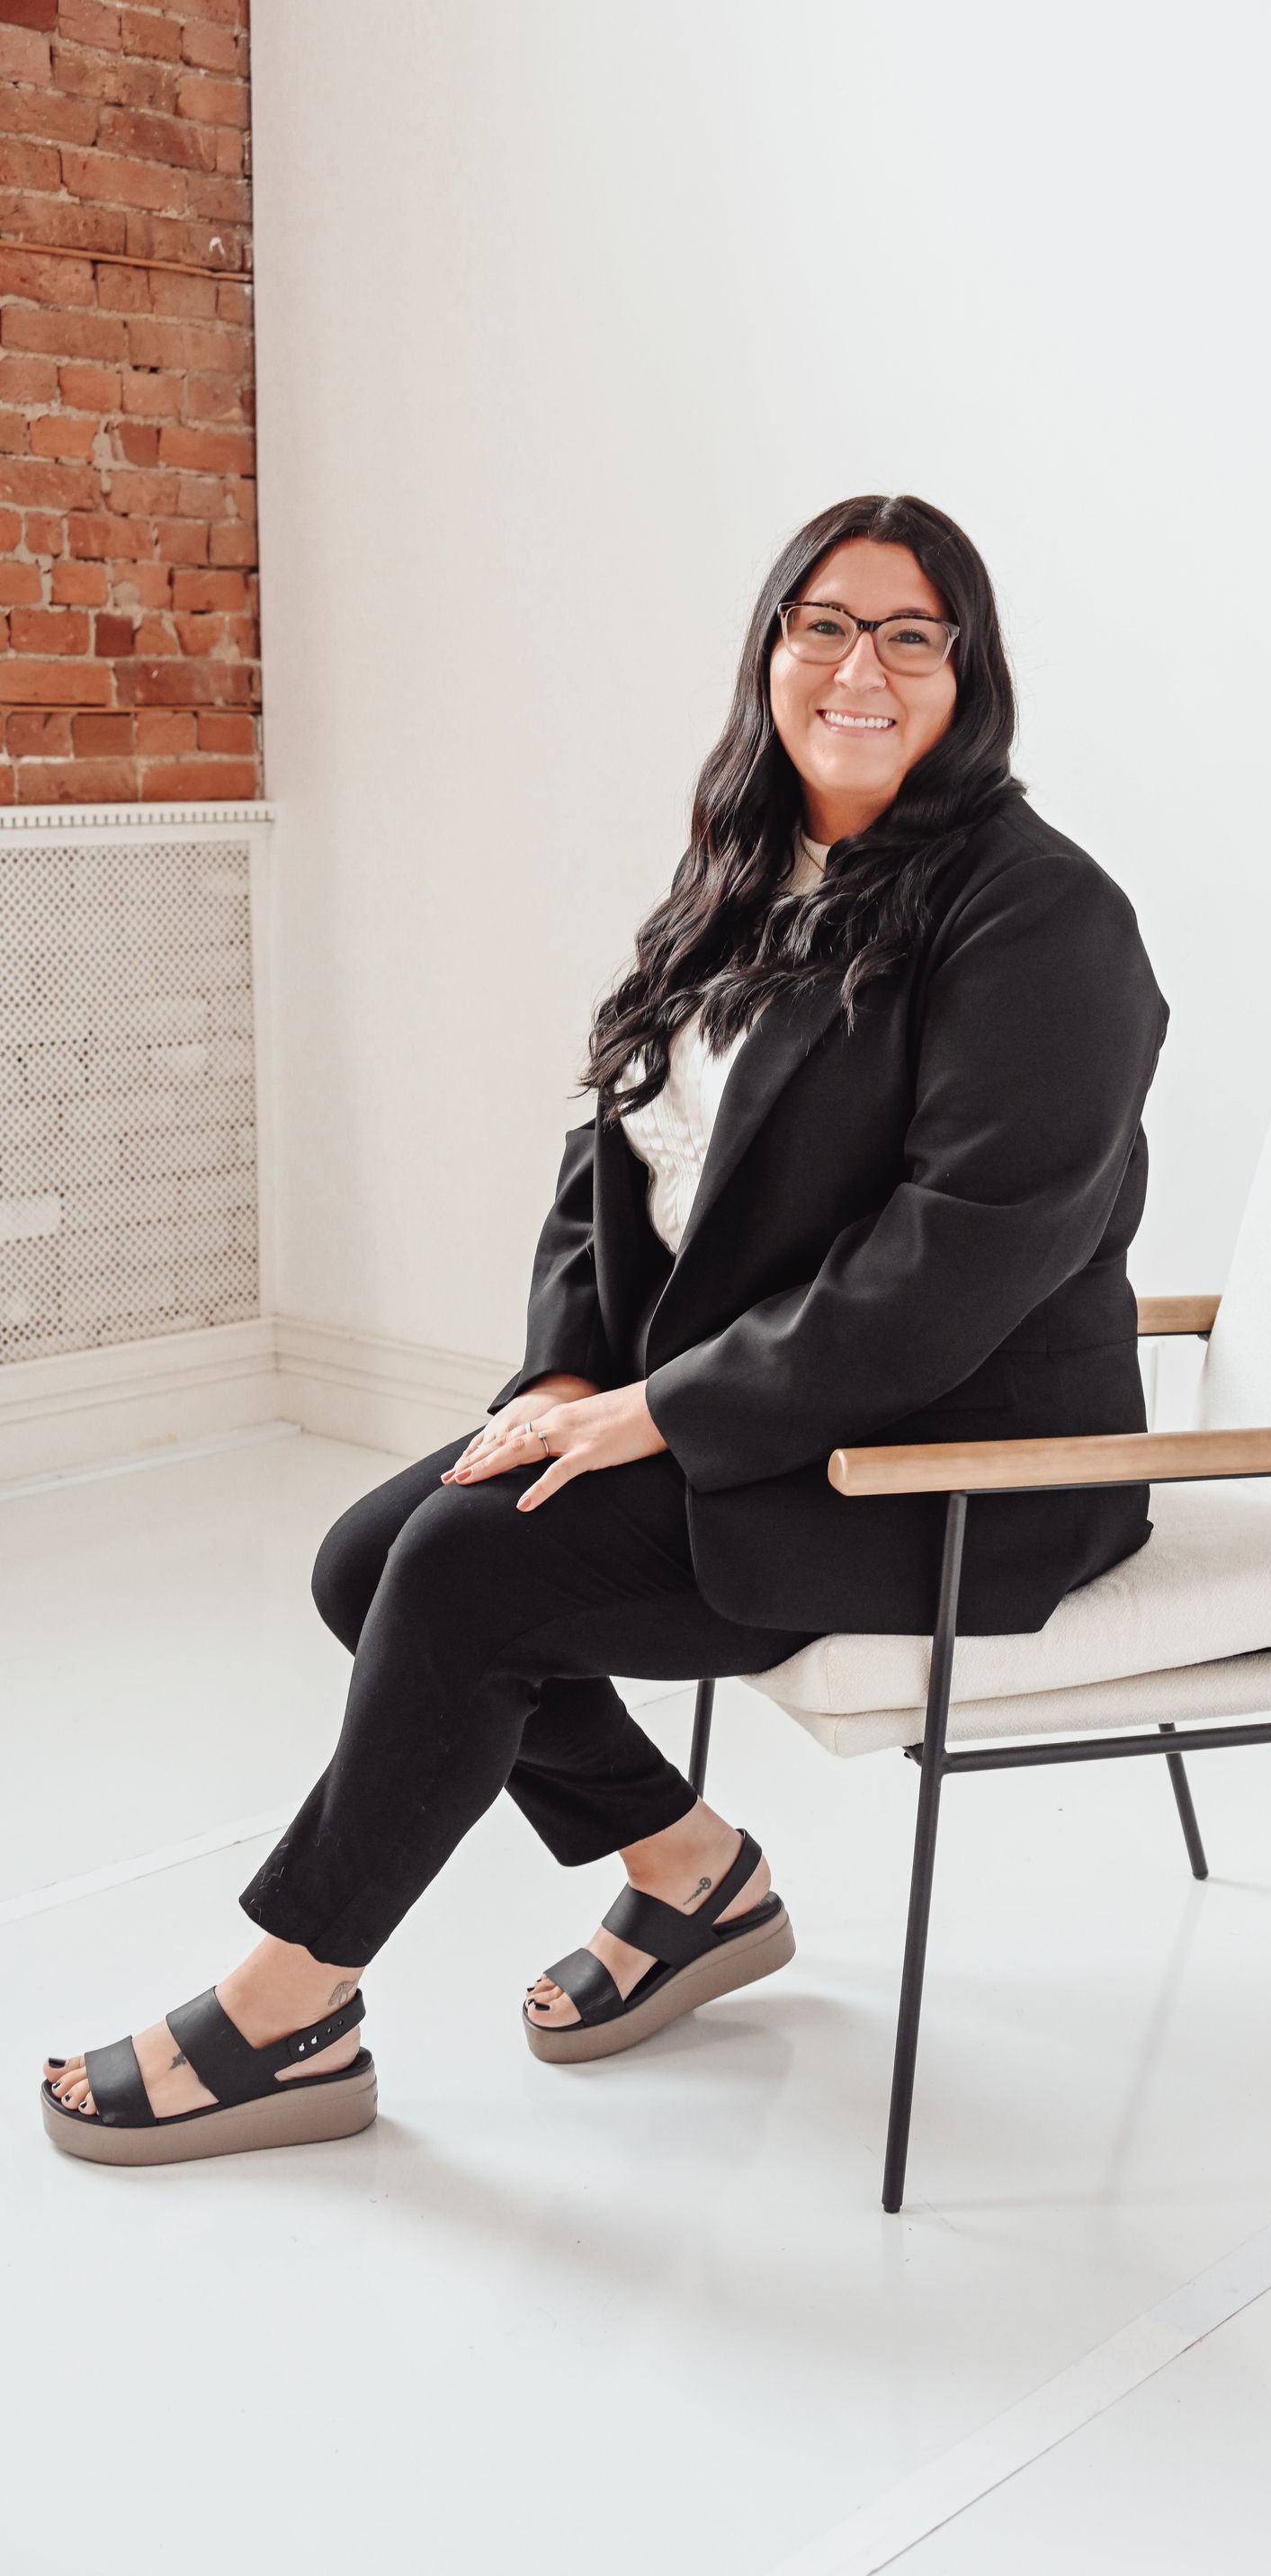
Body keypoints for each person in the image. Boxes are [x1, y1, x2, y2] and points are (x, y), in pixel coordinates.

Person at [41, 493, 1169, 2166]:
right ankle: (694, 1878)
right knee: (371, 1557)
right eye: (825, 624)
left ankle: (294, 2009)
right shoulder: (750, 856)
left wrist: (657, 1415)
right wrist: (573, 1370)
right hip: (747, 1402)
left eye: (911, 634)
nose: (862, 666)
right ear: (773, 650)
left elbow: (958, 1263)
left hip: (950, 1454)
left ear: (969, 673)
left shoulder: (1043, 917)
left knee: (464, 1572)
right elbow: (616, 1145)